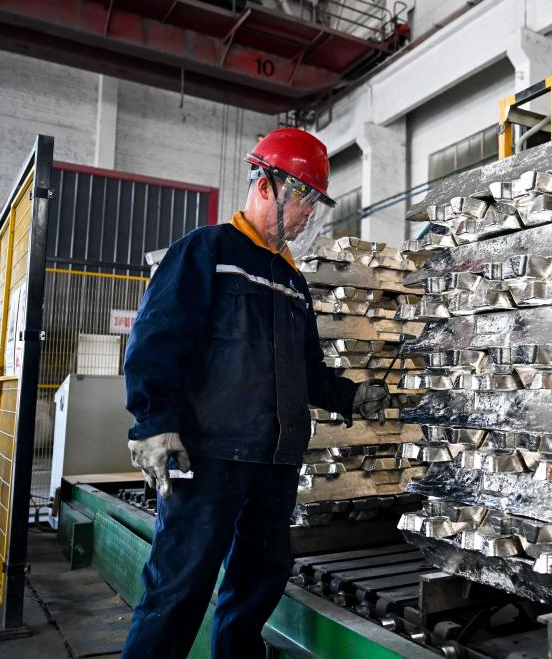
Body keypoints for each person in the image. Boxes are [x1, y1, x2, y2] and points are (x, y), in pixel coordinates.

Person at [120, 128, 390, 658]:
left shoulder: (292, 282)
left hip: (275, 462)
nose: (309, 213)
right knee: (179, 588)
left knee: (256, 587)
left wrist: (353, 397)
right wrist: (152, 423)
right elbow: (155, 341)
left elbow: (308, 372)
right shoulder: (208, 252)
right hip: (209, 456)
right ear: (266, 185)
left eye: (315, 202)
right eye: (304, 197)